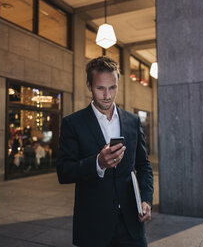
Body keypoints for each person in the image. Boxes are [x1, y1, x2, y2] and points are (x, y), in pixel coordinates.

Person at [56, 56, 154, 247]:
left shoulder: (132, 122)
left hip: (131, 225)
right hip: (93, 226)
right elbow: (64, 171)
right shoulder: (72, 123)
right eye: (100, 88)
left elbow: (143, 166)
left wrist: (147, 200)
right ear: (89, 85)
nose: (107, 95)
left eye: (112, 87)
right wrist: (98, 163)